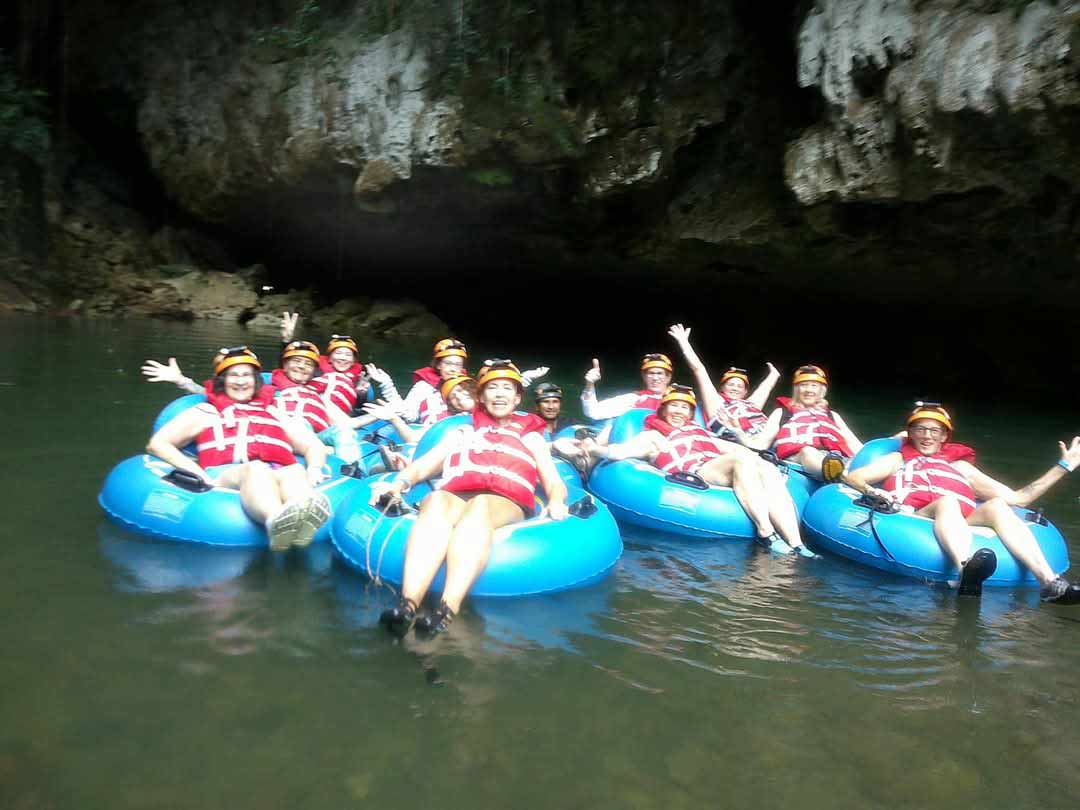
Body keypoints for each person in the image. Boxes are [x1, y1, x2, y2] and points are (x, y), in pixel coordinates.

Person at [372, 360, 569, 636]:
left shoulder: (531, 436)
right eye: (492, 388)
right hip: (458, 494)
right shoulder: (463, 431)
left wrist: (556, 501)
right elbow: (423, 466)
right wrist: (399, 483)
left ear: (517, 397)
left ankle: (446, 609)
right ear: (481, 396)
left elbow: (553, 481)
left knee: (480, 506)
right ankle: (408, 605)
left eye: (506, 389)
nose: (499, 394)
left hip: (503, 500)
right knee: (436, 501)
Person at [845, 403, 1080, 602]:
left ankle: (1049, 584)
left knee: (997, 505)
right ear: (910, 433)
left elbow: (1020, 498)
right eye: (920, 429)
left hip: (961, 517)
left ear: (945, 436)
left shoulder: (962, 468)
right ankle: (964, 571)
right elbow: (853, 476)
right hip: (917, 513)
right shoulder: (898, 460)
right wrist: (873, 492)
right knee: (948, 501)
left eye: (935, 431)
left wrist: (1064, 467)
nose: (927, 436)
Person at [579, 384, 814, 555]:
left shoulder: (699, 431)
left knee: (764, 466)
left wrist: (765, 460)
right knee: (739, 461)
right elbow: (621, 452)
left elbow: (733, 448)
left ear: (691, 413)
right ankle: (766, 533)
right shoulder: (652, 436)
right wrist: (596, 450)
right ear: (663, 409)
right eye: (674, 406)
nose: (679, 411)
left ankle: (796, 543)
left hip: (716, 466)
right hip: (697, 472)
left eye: (684, 407)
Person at [145, 347, 332, 551]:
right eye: (234, 375)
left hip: (275, 469)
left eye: (247, 375)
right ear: (222, 381)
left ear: (256, 380)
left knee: (294, 470)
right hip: (226, 474)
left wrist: (314, 468)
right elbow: (158, 444)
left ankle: (303, 516)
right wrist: (197, 473)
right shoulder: (205, 412)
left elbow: (312, 444)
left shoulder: (273, 412)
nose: (241, 381)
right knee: (256, 469)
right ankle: (275, 521)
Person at [667, 323, 779, 441]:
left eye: (739, 386)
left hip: (764, 440)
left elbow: (767, 386)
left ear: (745, 391)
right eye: (731, 384)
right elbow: (699, 369)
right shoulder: (716, 403)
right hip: (737, 442)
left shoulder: (751, 405)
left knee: (777, 414)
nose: (735, 388)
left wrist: (774, 374)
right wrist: (684, 342)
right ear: (723, 388)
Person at [751, 364, 863, 479]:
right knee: (808, 451)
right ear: (797, 389)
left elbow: (856, 446)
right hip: (798, 461)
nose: (809, 390)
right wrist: (739, 436)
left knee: (856, 462)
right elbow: (760, 444)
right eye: (803, 385)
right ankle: (844, 477)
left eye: (814, 386)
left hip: (836, 460)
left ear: (821, 391)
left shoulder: (832, 416)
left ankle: (844, 475)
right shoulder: (782, 413)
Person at [580, 353, 673, 422]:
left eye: (660, 373)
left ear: (668, 377)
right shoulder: (634, 398)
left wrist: (685, 348)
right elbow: (593, 411)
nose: (655, 378)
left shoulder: (679, 397)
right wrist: (589, 384)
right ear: (644, 376)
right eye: (651, 373)